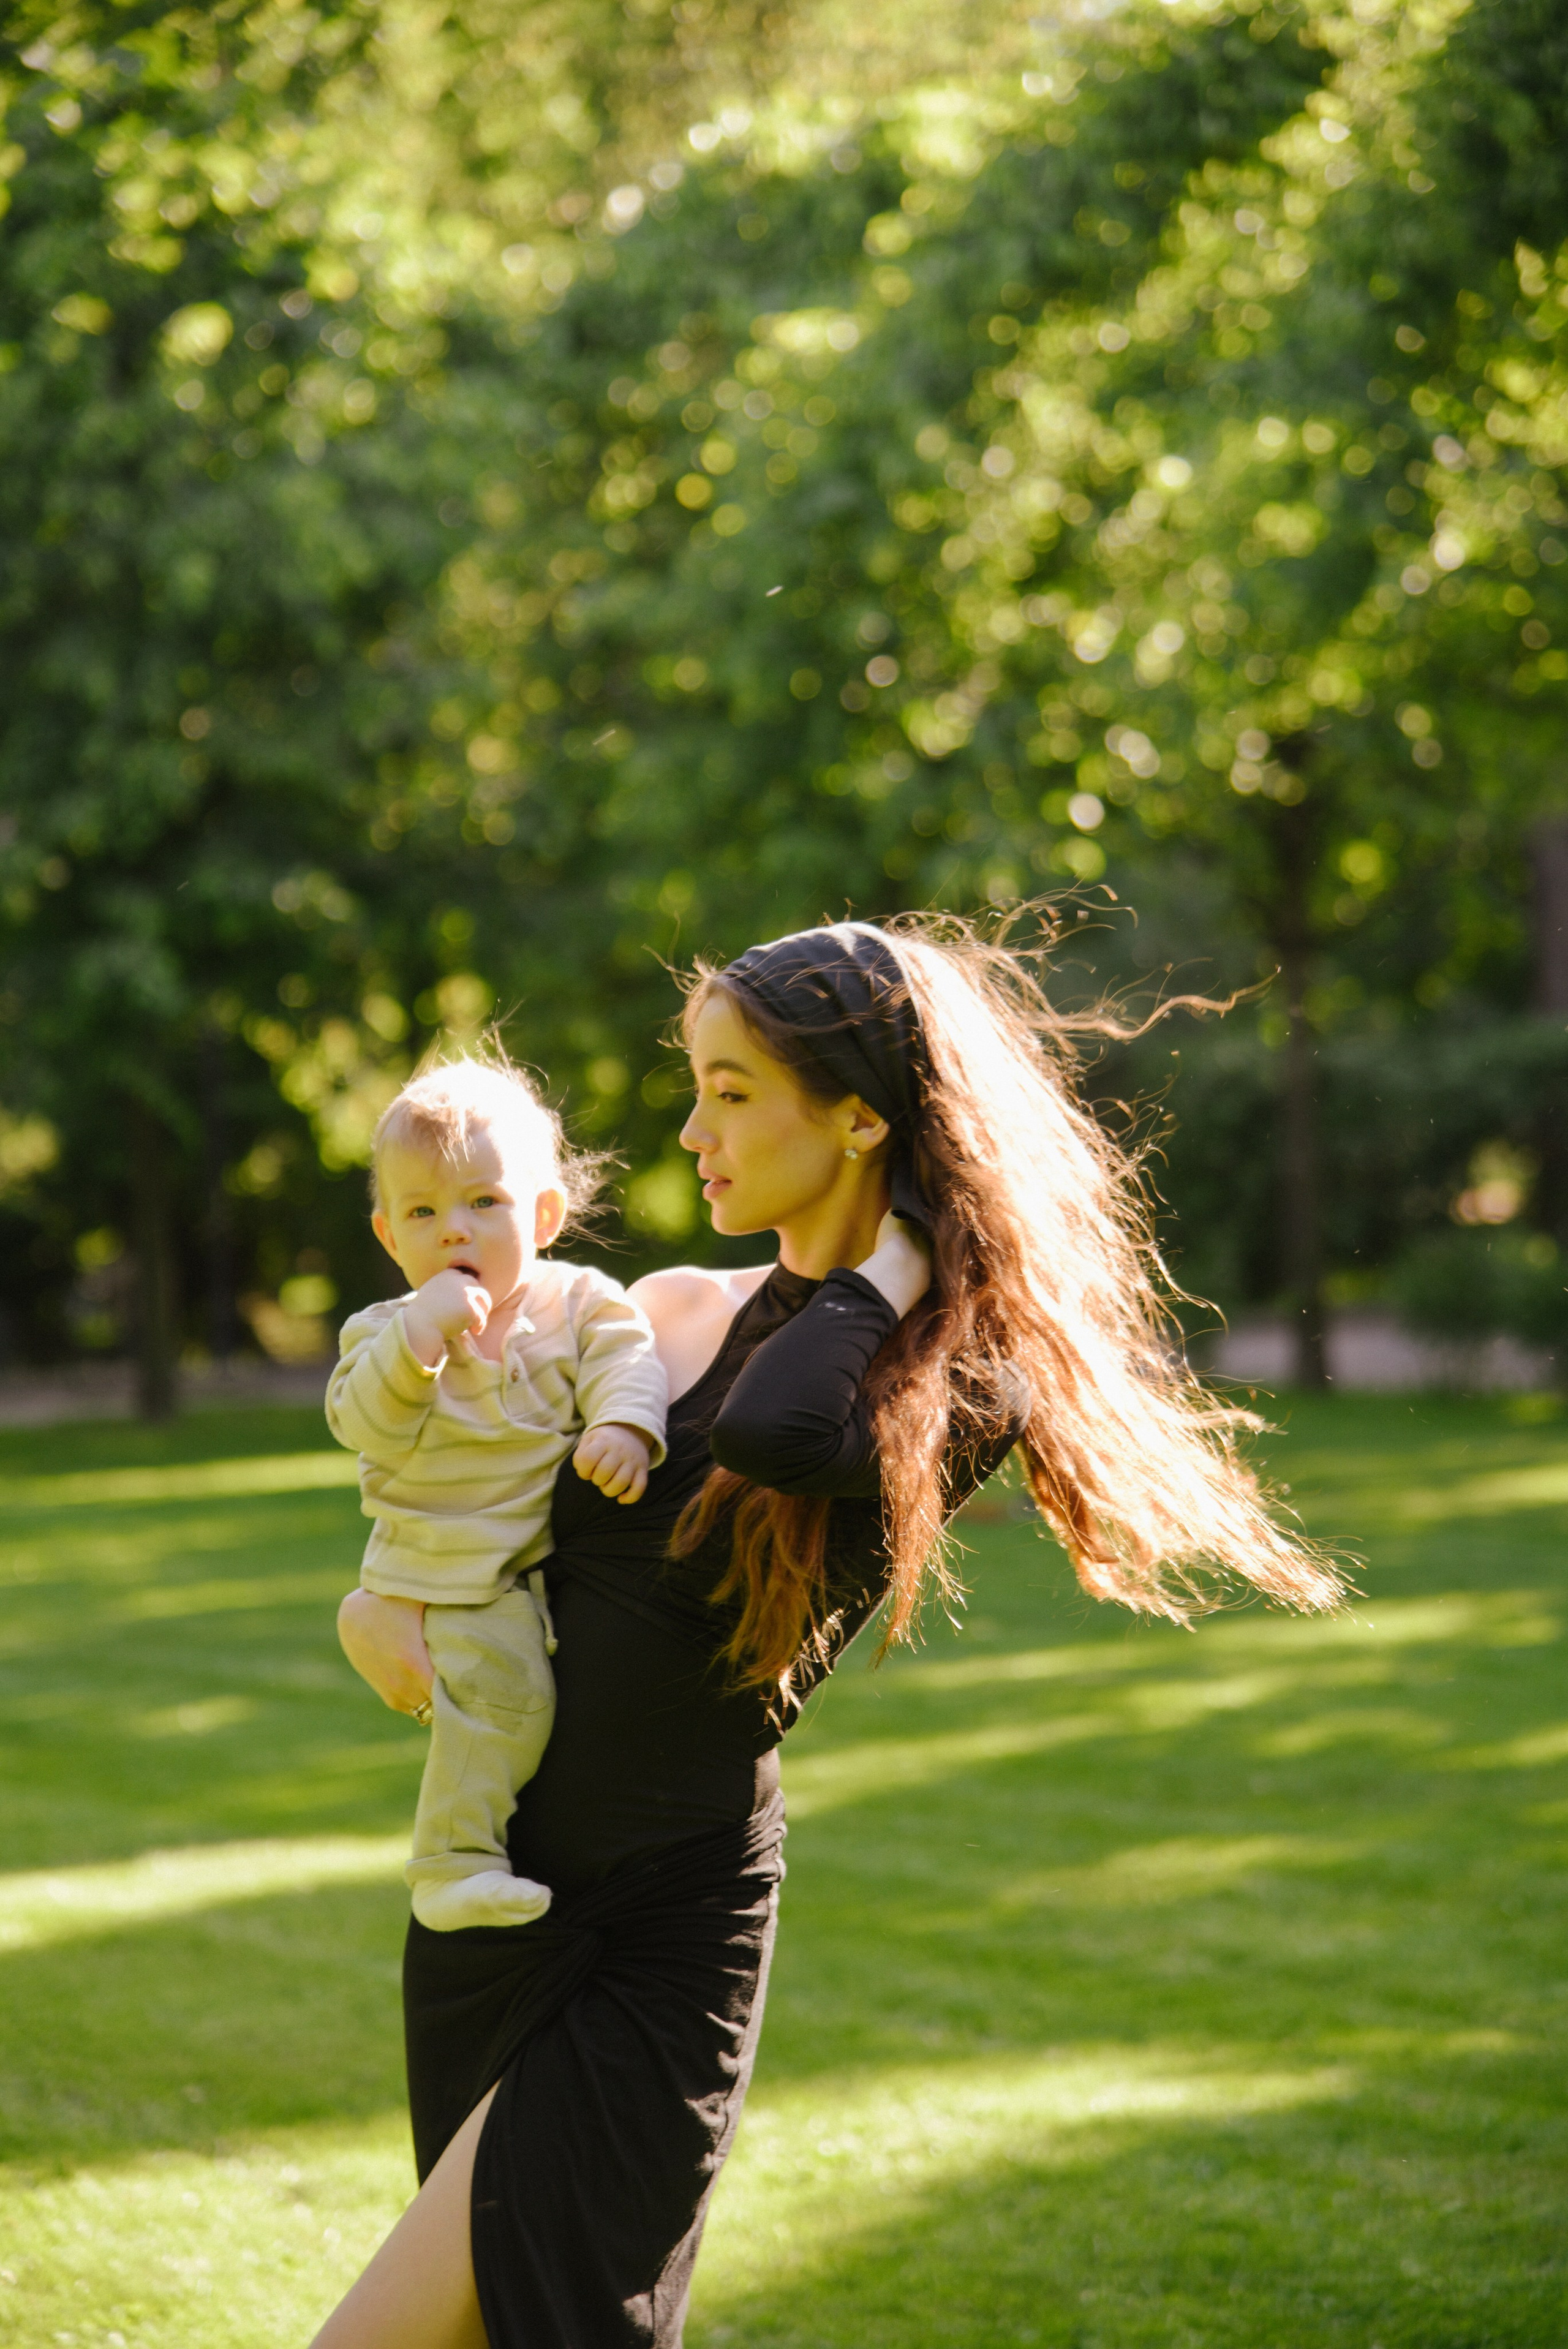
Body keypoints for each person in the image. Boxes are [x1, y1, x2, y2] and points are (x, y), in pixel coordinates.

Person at [317, 917, 1340, 2349]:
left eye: (731, 1091)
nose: (688, 1130)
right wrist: (377, 1603)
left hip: (657, 1934)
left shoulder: (947, 1383)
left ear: (860, 1115)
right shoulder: (657, 1309)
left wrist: (894, 1269)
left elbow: (775, 1429)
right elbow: (473, 1514)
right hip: (496, 1909)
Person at [327, 1056, 667, 1934]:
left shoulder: (580, 1302)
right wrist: (418, 1338)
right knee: (509, 1701)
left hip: (538, 1561)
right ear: (388, 1235)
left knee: (542, 1703)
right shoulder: (382, 1332)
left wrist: (623, 1428)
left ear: (544, 1214)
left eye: (484, 1202)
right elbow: (361, 1422)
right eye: (423, 1212)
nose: (454, 1232)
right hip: (449, 1571)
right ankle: (451, 1865)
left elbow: (632, 1358)